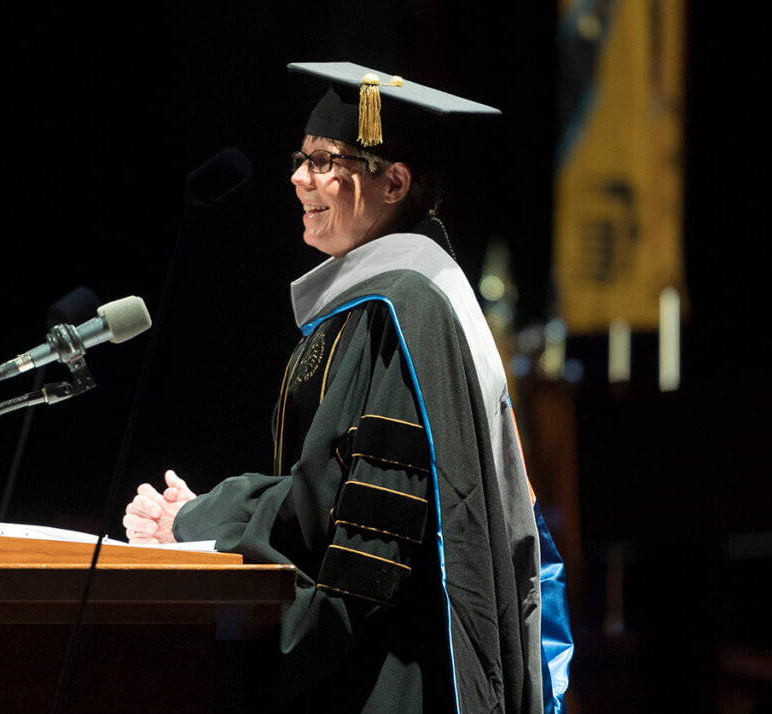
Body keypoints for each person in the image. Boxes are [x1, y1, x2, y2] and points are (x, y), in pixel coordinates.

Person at [123, 61, 572, 713]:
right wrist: (204, 521)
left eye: (327, 161)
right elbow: (330, 487)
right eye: (301, 158)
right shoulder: (386, 301)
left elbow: (353, 525)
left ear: (394, 181)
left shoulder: (404, 310)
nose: (299, 178)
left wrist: (203, 520)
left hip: (390, 676)